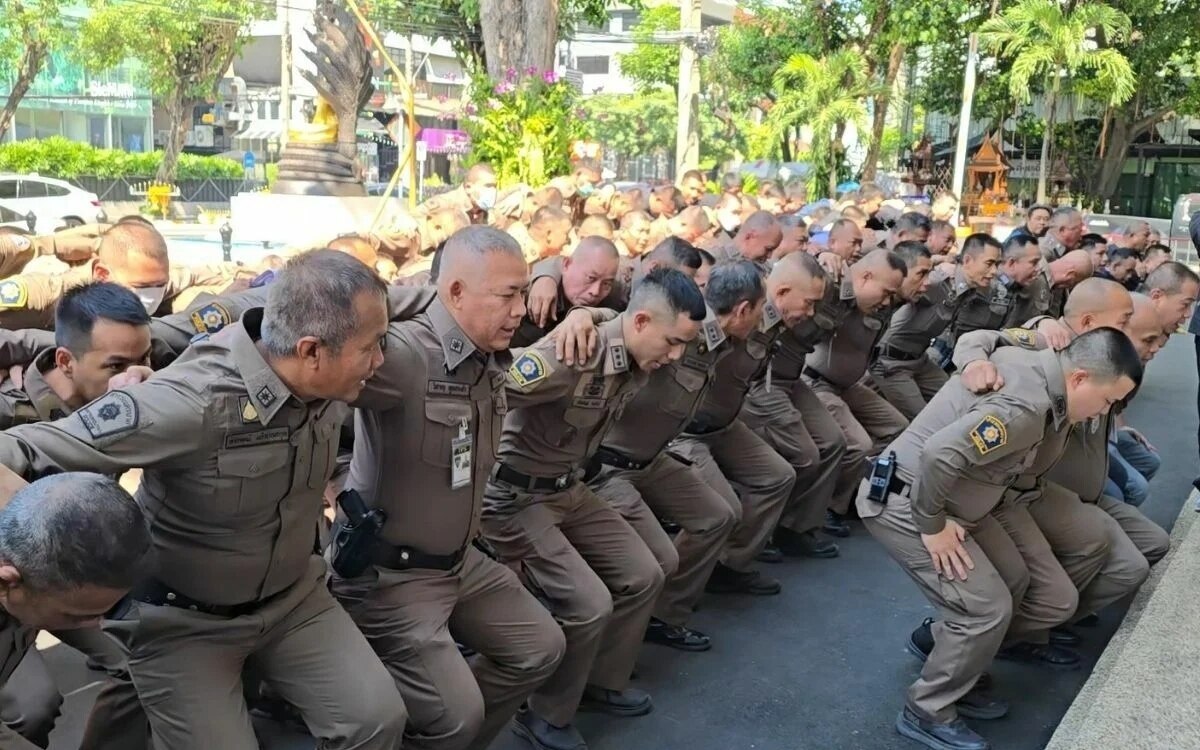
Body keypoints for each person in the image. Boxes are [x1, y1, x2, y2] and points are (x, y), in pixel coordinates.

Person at [0, 249, 407, 750]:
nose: (381, 360)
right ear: (310, 351)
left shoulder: (314, 333)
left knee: (377, 720)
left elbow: (427, 293)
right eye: (372, 347)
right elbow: (24, 449)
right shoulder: (189, 404)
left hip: (294, 600)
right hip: (187, 623)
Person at [331, 227, 566, 750]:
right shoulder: (406, 355)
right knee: (458, 716)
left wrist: (585, 314)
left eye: (523, 293)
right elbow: (307, 345)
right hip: (393, 576)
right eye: (507, 295)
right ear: (455, 292)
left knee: (541, 647)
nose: (521, 310)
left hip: (461, 563)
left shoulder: (488, 355)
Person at [865, 329, 1141, 750]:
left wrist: (974, 354)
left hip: (958, 501)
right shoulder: (1026, 407)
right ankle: (927, 710)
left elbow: (988, 339)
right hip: (909, 501)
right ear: (1081, 378)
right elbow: (939, 453)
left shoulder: (1043, 364)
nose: (1101, 413)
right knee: (984, 609)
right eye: (1106, 402)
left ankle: (960, 671)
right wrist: (932, 526)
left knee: (1014, 581)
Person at [483, 268, 703, 750]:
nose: (676, 355)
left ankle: (599, 681)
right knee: (589, 601)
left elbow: (615, 316)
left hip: (570, 489)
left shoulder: (629, 346)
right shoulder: (570, 355)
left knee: (646, 572)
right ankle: (544, 711)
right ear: (642, 322)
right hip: (514, 498)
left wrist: (589, 310)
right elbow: (487, 390)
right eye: (672, 342)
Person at [588, 260, 768, 651]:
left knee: (717, 516)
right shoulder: (669, 330)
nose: (674, 353)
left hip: (654, 457)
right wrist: (581, 313)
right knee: (651, 562)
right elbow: (622, 311)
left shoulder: (715, 339)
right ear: (741, 310)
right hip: (610, 464)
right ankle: (607, 650)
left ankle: (664, 614)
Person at [0, 472, 153, 750]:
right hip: (31, 582)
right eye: (77, 615)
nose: (93, 623)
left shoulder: (43, 502)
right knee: (33, 708)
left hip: (42, 575)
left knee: (144, 658)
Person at [801, 249, 910, 523]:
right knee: (858, 444)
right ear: (865, 276)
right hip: (815, 382)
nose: (887, 301)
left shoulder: (878, 306)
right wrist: (822, 252)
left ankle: (852, 492)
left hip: (849, 385)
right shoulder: (832, 289)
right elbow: (795, 271)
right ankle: (827, 509)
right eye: (884, 292)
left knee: (897, 429)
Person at [0, 221, 249, 329]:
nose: (150, 296)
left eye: (158, 285)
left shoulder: (151, 281)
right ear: (102, 274)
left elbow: (194, 275)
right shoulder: (47, 295)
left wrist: (245, 275)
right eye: (142, 286)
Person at [873, 234, 1001, 418]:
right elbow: (898, 274)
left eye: (996, 264)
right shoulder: (935, 281)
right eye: (989, 263)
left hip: (920, 360)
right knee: (924, 419)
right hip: (891, 362)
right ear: (967, 260)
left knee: (960, 400)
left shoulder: (971, 290)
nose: (994, 270)